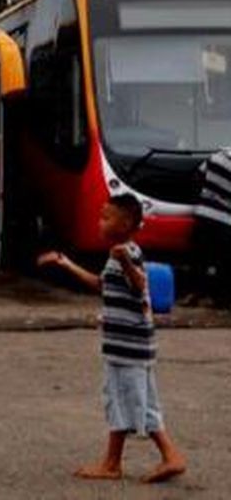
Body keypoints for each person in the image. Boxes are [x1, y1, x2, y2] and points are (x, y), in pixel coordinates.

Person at [38, 194, 187, 484]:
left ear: (125, 223)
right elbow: (101, 284)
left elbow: (140, 283)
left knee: (122, 400)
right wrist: (66, 263)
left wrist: (128, 265)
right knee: (136, 401)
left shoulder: (126, 253)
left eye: (106, 217)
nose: (100, 222)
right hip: (133, 346)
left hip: (127, 347)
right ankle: (135, 459)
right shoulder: (118, 254)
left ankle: (129, 461)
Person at [190, 148, 231, 302]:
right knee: (223, 263)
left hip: (203, 214)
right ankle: (220, 298)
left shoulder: (218, 155)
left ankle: (195, 293)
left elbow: (198, 175)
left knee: (199, 259)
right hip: (225, 220)